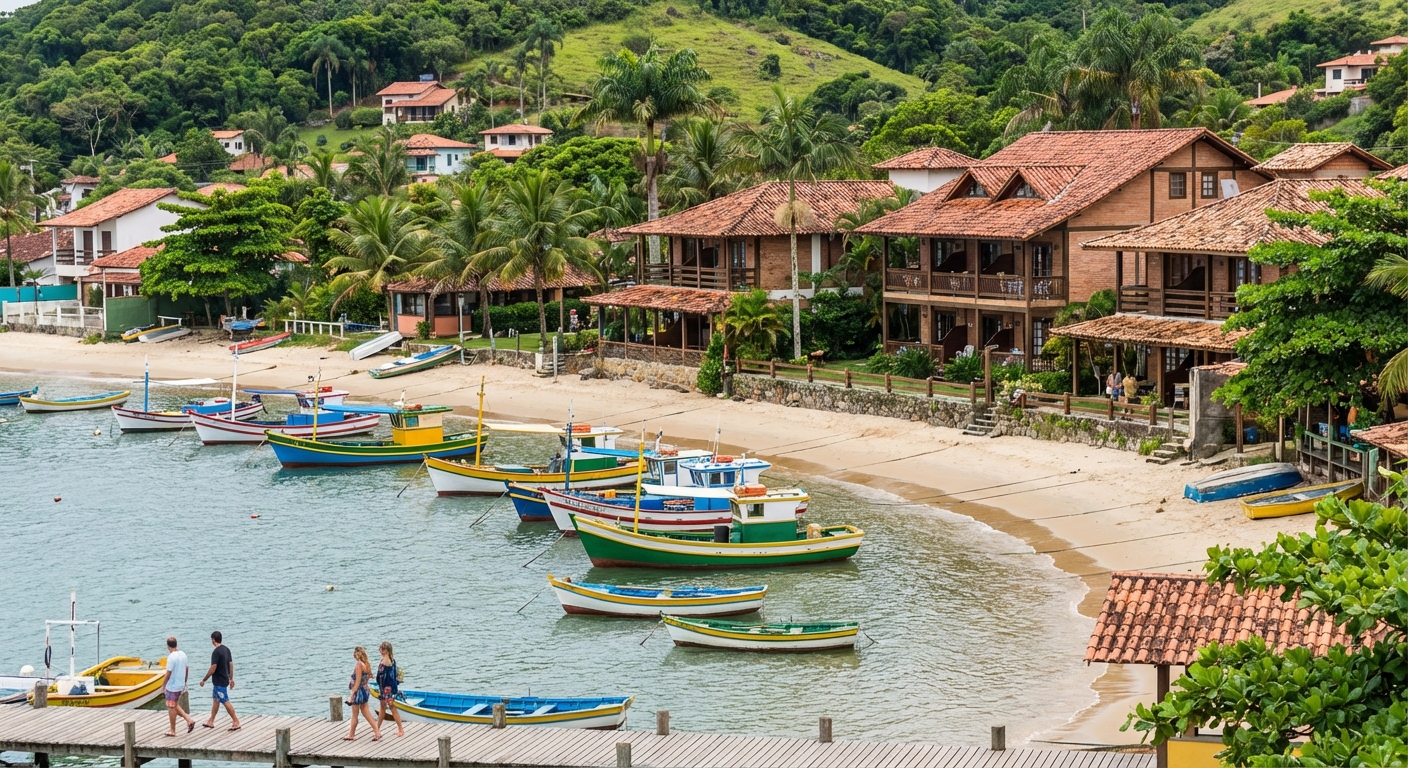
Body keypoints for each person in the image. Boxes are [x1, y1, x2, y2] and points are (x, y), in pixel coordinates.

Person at [198, 631, 241, 731]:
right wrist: (231, 678)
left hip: (219, 681)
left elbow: (213, 667)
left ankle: (236, 721)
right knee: (216, 700)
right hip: (224, 679)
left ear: (213, 640)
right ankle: (211, 721)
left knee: (225, 701)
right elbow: (231, 664)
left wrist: (204, 680)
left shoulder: (216, 652)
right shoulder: (226, 649)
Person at [344, 646, 380, 741]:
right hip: (365, 690)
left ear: (356, 654)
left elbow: (357, 682)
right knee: (366, 712)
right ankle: (377, 731)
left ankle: (351, 734)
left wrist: (352, 695)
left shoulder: (359, 665)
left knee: (355, 714)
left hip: (359, 692)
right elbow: (367, 678)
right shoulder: (367, 664)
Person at [162, 637, 195, 736]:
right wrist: (185, 682)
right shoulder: (183, 654)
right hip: (180, 684)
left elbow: (168, 672)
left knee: (171, 707)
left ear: (168, 646)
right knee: (174, 704)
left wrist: (163, 685)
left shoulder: (171, 657)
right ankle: (189, 720)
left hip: (172, 685)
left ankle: (173, 730)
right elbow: (187, 669)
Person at [374, 641, 405, 737]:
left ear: (386, 651)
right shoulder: (388, 659)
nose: (380, 651)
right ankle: (377, 728)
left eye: (382, 649)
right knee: (382, 708)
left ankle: (400, 729)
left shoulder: (387, 660)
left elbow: (386, 671)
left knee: (392, 707)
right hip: (383, 688)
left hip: (387, 689)